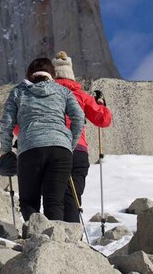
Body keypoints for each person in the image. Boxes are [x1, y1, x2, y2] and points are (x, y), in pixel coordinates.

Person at [0, 57, 84, 221]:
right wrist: (70, 144)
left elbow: (7, 122)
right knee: (54, 201)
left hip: (30, 149)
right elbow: (79, 116)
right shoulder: (63, 91)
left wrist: (6, 150)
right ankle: (55, 242)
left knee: (29, 201)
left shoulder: (18, 92)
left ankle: (36, 238)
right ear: (52, 74)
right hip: (61, 149)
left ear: (30, 74)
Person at [52, 50, 112, 223]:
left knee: (53, 195)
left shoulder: (47, 94)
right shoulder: (81, 96)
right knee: (73, 194)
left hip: (54, 147)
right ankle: (73, 235)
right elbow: (103, 120)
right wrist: (101, 104)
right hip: (78, 149)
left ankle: (54, 234)